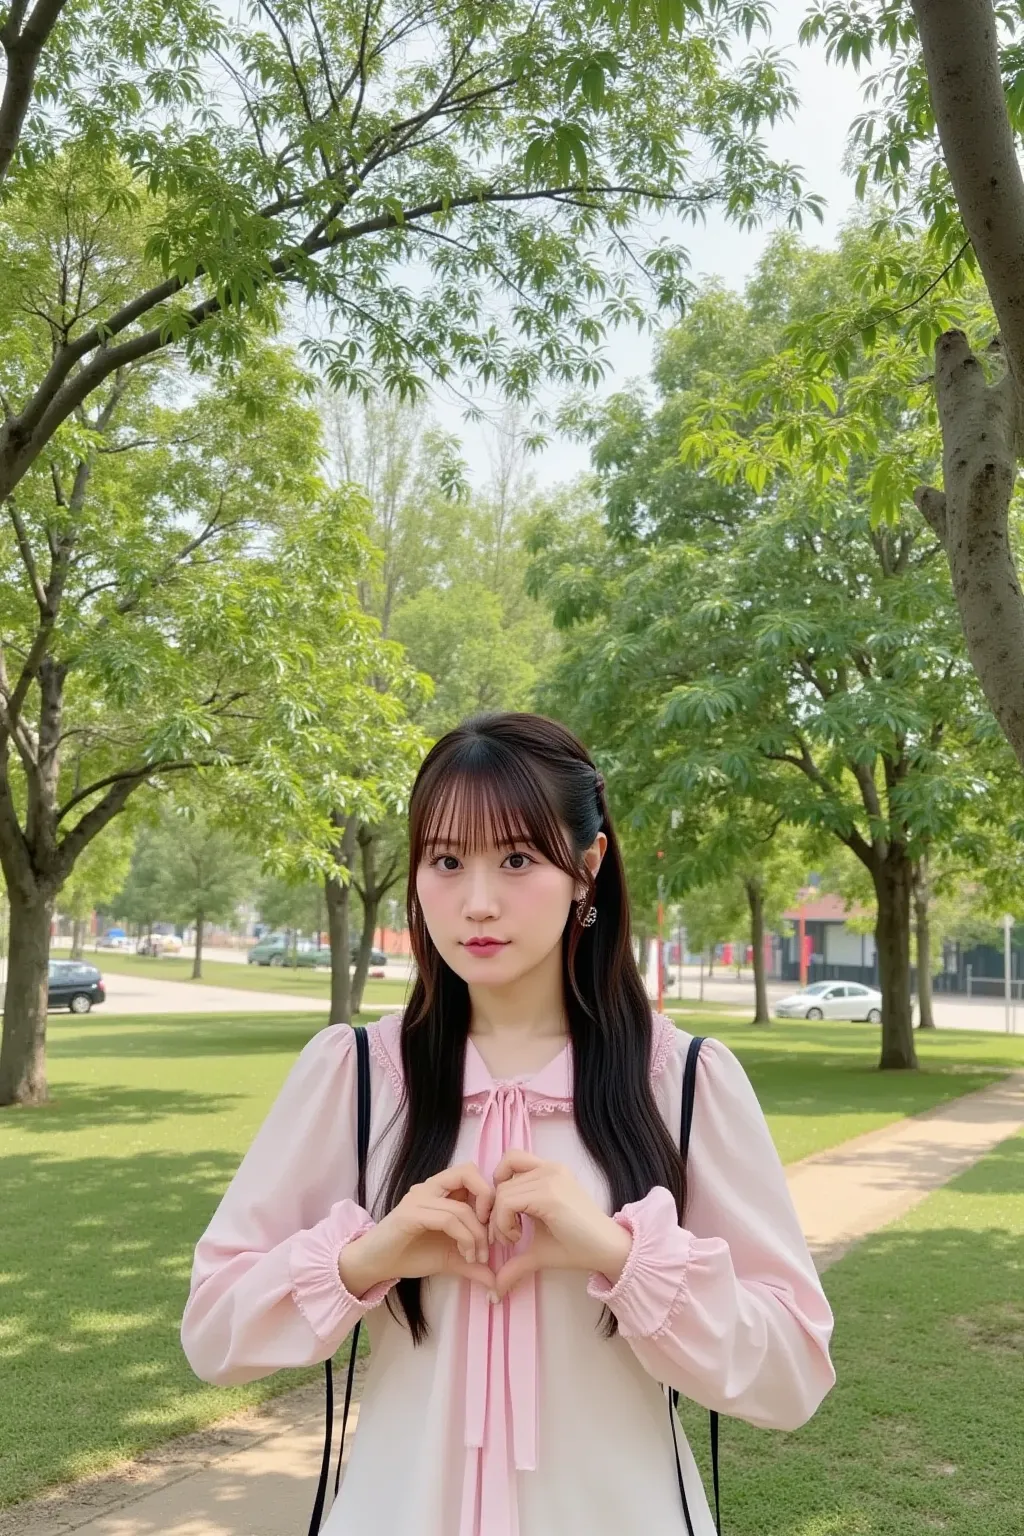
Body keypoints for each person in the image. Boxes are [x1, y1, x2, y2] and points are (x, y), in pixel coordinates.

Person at [180, 711, 836, 1535]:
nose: (478, 903)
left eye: (518, 859)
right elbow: (213, 1332)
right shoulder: (353, 1077)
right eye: (447, 861)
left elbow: (793, 1374)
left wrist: (616, 1254)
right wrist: (369, 1257)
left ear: (586, 868)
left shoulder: (684, 1081)